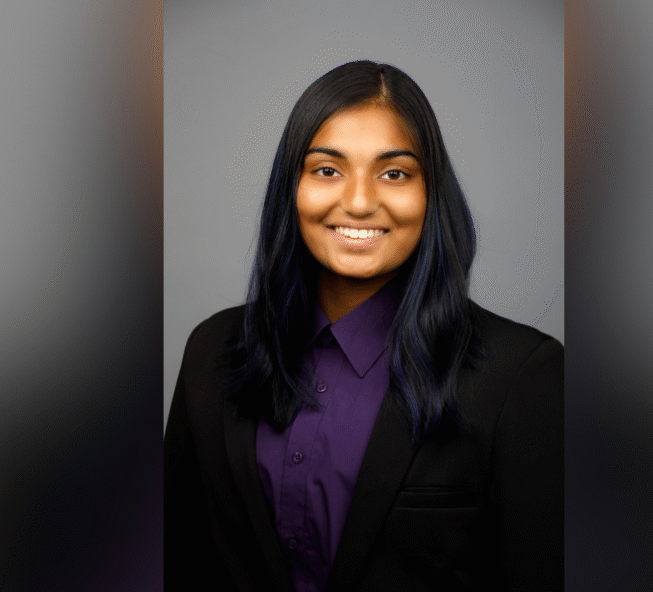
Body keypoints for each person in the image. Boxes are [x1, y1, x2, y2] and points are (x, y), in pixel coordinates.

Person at [164, 60, 562, 591]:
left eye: (394, 173)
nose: (357, 203)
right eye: (327, 170)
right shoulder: (211, 351)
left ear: (431, 193)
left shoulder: (521, 376)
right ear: (292, 187)